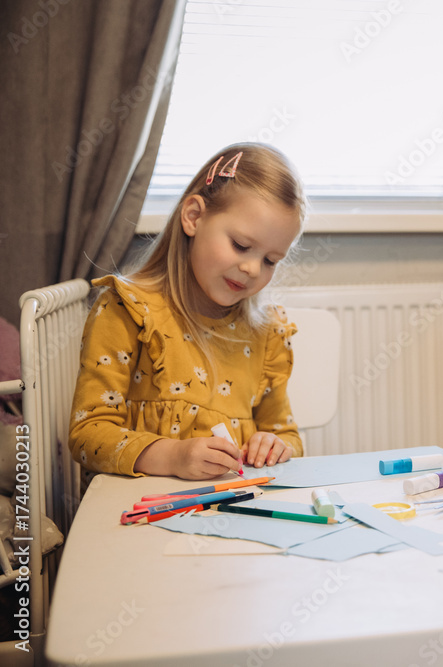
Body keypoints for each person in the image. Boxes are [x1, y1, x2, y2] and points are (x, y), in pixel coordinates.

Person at [69, 143, 307, 480]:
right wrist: (171, 457)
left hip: (230, 511)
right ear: (193, 217)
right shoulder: (128, 310)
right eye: (241, 245)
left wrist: (275, 445)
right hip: (138, 515)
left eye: (271, 260)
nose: (253, 269)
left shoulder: (265, 334)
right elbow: (87, 435)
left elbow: (288, 436)